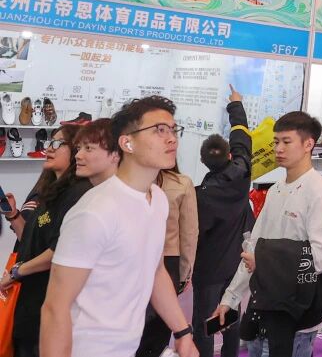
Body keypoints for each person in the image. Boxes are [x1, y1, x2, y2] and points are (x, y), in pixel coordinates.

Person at [42, 96, 198, 357]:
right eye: (159, 130)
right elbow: (55, 308)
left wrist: (182, 332)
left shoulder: (158, 199)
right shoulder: (96, 210)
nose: (172, 139)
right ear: (127, 143)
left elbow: (155, 270)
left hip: (127, 348)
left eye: (173, 130)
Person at [212, 111, 322, 357]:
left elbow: (320, 258)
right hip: (264, 305)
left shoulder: (321, 193)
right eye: (276, 141)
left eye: (286, 142)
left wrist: (264, 260)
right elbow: (253, 248)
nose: (278, 148)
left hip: (296, 315)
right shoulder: (276, 190)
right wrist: (230, 299)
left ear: (308, 144)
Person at [3, 123, 91, 357]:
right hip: (29, 304)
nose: (49, 148)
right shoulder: (48, 191)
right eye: (50, 142)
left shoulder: (78, 195)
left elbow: (59, 252)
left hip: (46, 304)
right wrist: (13, 215)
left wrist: (17, 271)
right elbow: (29, 241)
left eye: (58, 143)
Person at [193, 90, 253, 357]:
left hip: (208, 268)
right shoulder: (242, 172)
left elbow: (196, 235)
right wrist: (236, 104)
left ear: (203, 161)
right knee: (230, 314)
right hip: (236, 262)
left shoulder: (200, 196)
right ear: (229, 156)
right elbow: (242, 138)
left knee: (205, 323)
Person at [137, 161, 199, 357]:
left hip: (137, 260)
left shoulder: (133, 182)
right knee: (158, 328)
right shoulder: (182, 183)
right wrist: (186, 272)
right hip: (170, 261)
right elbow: (189, 233)